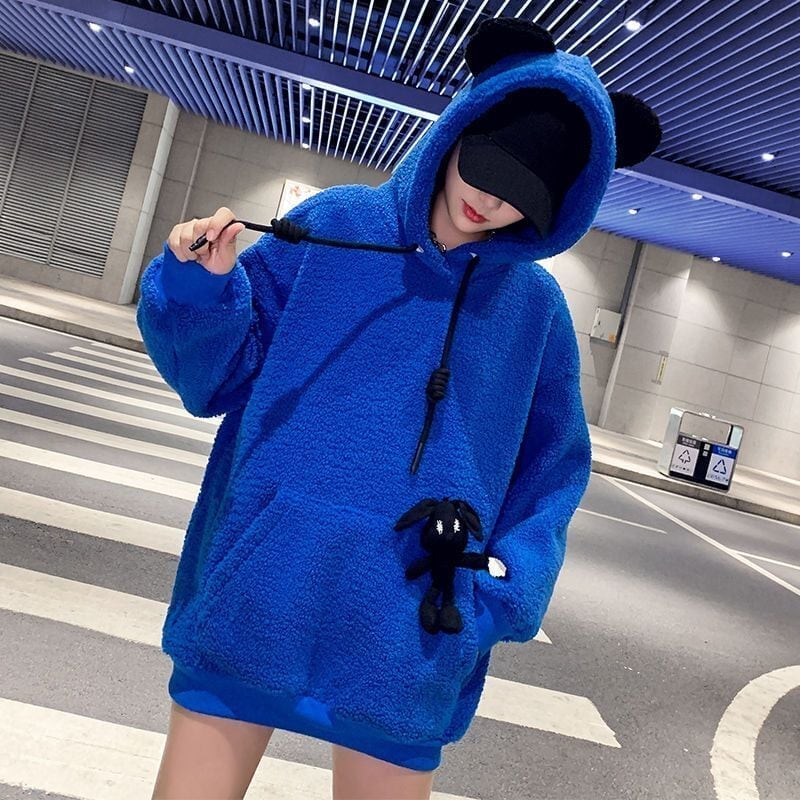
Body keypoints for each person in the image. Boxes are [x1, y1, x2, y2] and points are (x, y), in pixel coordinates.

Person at [138, 16, 661, 800]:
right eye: (487, 166)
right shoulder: (333, 226)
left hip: (411, 629)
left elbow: (552, 477)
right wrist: (200, 287)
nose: (491, 198)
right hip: (258, 595)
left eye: (524, 194)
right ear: (458, 132)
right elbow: (215, 379)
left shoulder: (536, 315)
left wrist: (501, 593)